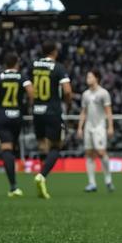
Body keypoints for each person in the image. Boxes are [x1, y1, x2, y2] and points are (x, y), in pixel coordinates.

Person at [27, 41, 72, 199]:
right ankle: (42, 176)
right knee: (56, 146)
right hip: (52, 111)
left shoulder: (33, 66)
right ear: (54, 52)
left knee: (42, 145)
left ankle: (41, 178)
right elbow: (67, 91)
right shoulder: (58, 67)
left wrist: (33, 103)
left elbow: (29, 88)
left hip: (37, 111)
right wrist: (68, 104)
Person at [0, 52, 34, 197]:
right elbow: (31, 93)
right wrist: (27, 106)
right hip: (17, 116)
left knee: (6, 149)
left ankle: (13, 186)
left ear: (5, 64)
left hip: (2, 116)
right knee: (13, 146)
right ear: (17, 63)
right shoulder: (22, 76)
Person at [77, 69, 115, 193]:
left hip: (99, 126)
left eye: (90, 76)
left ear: (96, 78)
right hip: (88, 126)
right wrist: (80, 127)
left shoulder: (103, 93)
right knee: (88, 153)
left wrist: (110, 126)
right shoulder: (85, 94)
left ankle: (108, 179)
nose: (87, 79)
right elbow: (83, 112)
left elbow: (108, 111)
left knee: (101, 152)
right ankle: (92, 183)